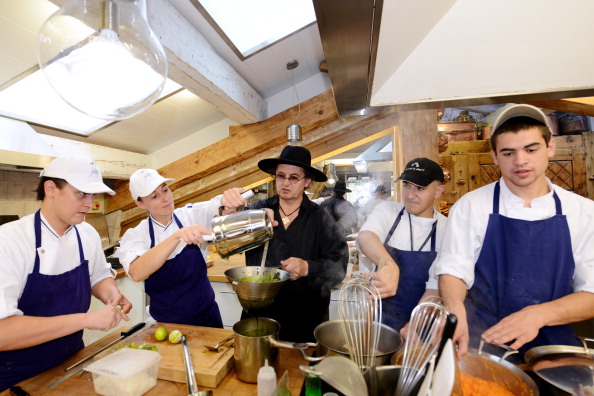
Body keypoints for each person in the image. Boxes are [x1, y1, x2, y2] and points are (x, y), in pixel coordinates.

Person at [436, 104, 594, 360]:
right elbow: (454, 270)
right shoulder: (472, 205)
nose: (520, 161)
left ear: (550, 148)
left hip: (551, 349)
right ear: (495, 156)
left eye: (531, 149)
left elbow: (591, 294)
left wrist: (537, 315)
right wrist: (455, 313)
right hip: (482, 341)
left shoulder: (584, 212)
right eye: (508, 153)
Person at [0, 154, 132, 391]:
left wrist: (111, 294)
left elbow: (99, 276)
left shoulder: (86, 233)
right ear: (51, 188)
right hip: (14, 378)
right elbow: (3, 333)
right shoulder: (10, 241)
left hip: (71, 365)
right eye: (81, 193)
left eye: (92, 195)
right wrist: (87, 320)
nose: (89, 204)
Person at [228, 145, 349, 342]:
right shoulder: (258, 211)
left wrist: (307, 266)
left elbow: (339, 266)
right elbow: (227, 242)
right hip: (261, 313)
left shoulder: (321, 218)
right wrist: (230, 211)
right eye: (280, 176)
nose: (285, 183)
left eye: (294, 178)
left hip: (305, 317)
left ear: (307, 181)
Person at [117, 169, 245, 327]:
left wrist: (230, 199)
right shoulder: (136, 235)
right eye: (155, 196)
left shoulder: (190, 215)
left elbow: (217, 205)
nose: (165, 198)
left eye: (165, 190)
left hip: (207, 317)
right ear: (140, 203)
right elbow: (136, 272)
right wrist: (176, 237)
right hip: (166, 325)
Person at [357, 158, 447, 331]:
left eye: (420, 188)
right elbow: (366, 236)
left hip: (423, 323)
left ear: (438, 191)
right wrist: (389, 264)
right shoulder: (387, 211)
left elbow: (437, 286)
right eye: (407, 185)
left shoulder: (447, 228)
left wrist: (415, 327)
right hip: (379, 320)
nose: (410, 195)